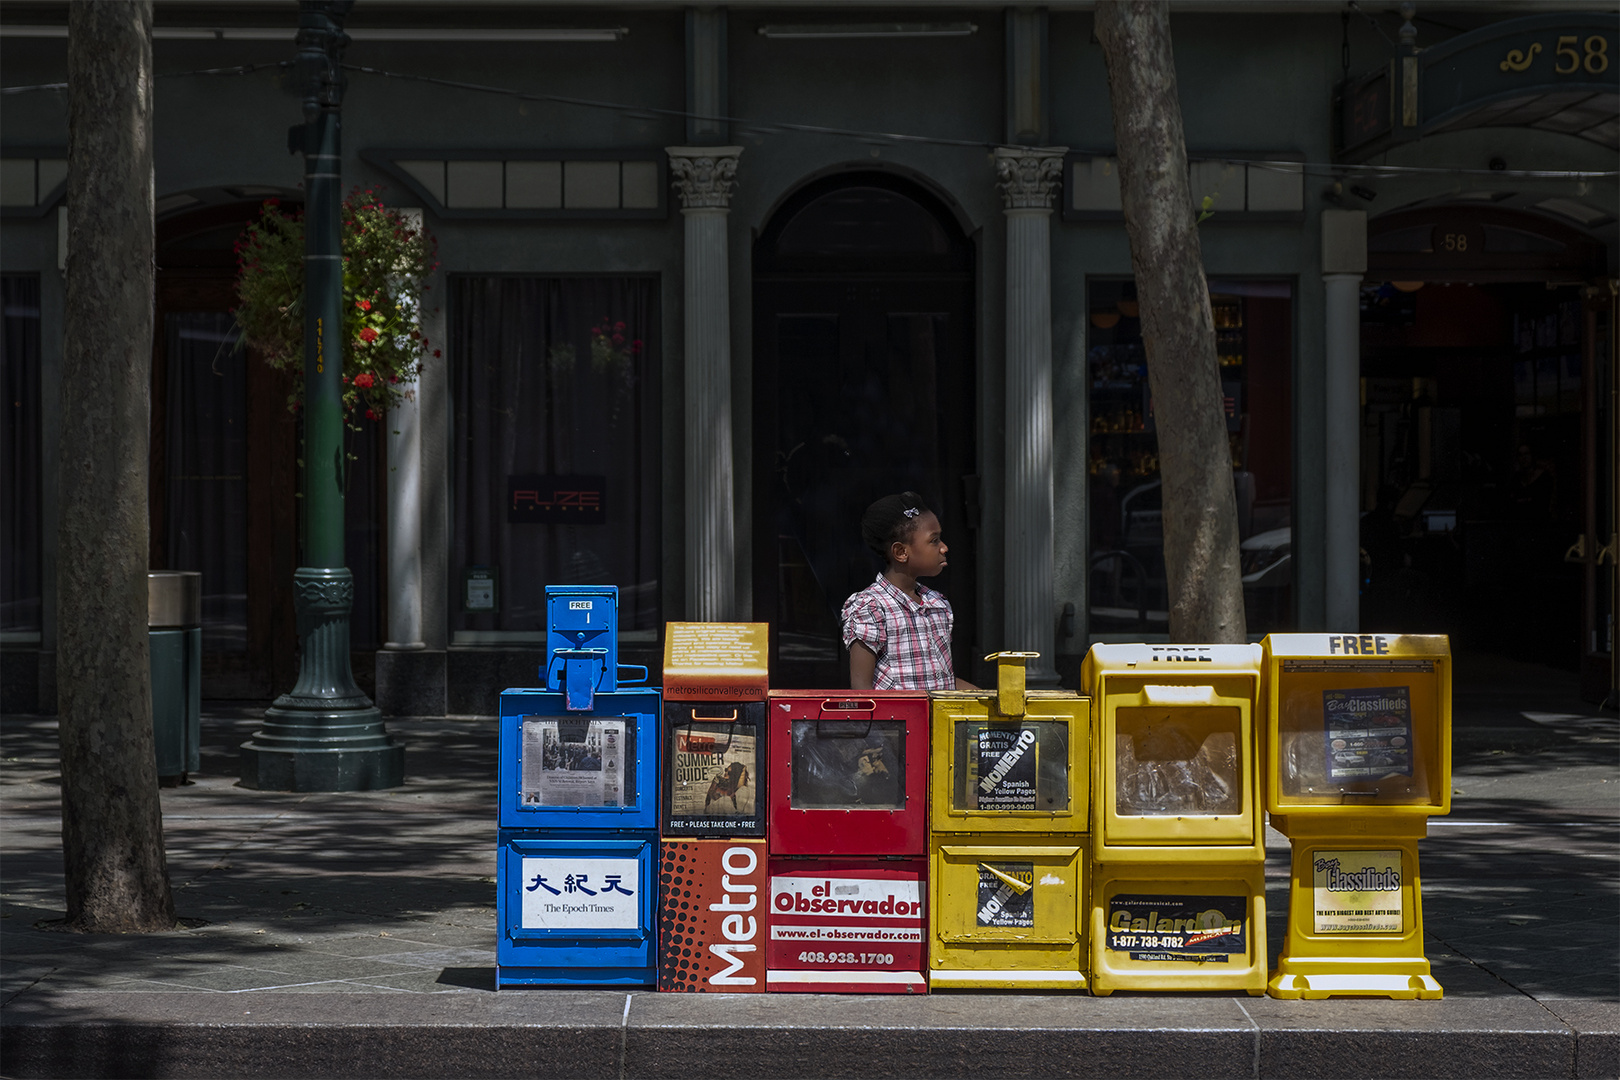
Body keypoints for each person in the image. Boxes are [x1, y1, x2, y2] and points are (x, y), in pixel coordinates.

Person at [841, 491, 978, 691]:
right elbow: (862, 689)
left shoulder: (938, 604)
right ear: (901, 552)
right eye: (934, 540)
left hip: (940, 721)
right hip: (895, 722)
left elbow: (942, 681)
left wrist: (986, 698)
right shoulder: (870, 607)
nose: (944, 547)